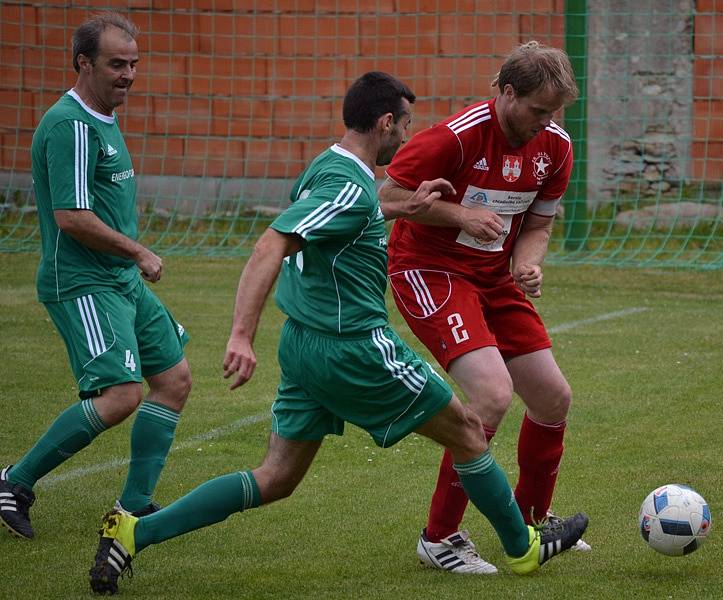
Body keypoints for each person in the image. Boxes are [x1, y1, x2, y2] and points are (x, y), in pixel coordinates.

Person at [88, 71, 588, 594]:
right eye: (405, 126)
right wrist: (239, 334)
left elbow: (346, 217)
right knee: (469, 428)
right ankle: (521, 547)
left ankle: (134, 530)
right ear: (386, 123)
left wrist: (412, 207)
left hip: (303, 345)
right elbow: (270, 245)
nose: (409, 138)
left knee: (275, 477)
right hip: (352, 347)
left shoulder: (327, 168)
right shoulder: (351, 187)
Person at [379, 40, 590, 574]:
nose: (545, 123)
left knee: (552, 398)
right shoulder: (455, 137)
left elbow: (537, 226)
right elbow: (382, 198)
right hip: (429, 271)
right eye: (538, 110)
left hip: (495, 278)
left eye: (554, 113)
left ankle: (528, 521)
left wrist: (529, 263)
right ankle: (440, 536)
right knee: (492, 395)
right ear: (506, 92)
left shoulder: (557, 148)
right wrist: (460, 216)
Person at [0, 13, 191, 540]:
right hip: (83, 282)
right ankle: (14, 482)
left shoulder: (103, 117)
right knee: (121, 394)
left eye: (133, 64)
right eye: (116, 64)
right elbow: (72, 217)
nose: (128, 74)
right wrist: (139, 252)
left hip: (120, 282)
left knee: (173, 381)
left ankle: (131, 507)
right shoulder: (71, 125)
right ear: (84, 63)